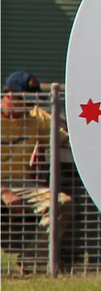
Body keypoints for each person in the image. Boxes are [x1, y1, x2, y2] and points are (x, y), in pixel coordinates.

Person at [2, 72, 69, 273]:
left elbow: (65, 138)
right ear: (10, 95)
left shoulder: (37, 117)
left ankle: (30, 261)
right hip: (3, 187)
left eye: (34, 100)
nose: (31, 106)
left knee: (62, 203)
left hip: (20, 185)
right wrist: (4, 192)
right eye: (26, 100)